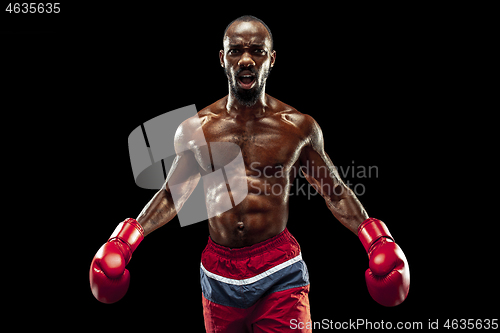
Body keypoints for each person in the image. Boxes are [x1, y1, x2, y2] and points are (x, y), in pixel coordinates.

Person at [90, 15, 410, 333]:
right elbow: (172, 195)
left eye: (257, 51)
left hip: (279, 270)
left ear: (271, 59)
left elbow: (335, 191)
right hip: (219, 274)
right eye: (236, 51)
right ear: (222, 59)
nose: (246, 59)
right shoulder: (196, 130)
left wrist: (377, 240)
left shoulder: (298, 128)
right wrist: (123, 242)